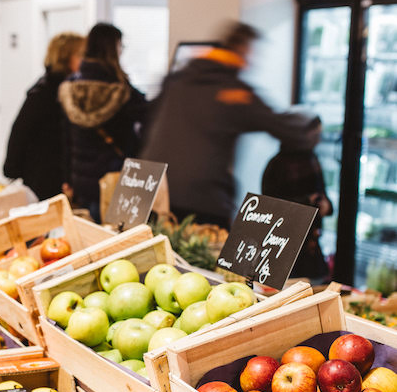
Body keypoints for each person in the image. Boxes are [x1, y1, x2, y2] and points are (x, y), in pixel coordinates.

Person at [141, 21, 321, 229]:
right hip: (203, 199)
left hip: (156, 191)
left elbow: (147, 122)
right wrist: (311, 125)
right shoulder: (233, 93)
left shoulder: (177, 80)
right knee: (203, 258)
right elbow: (282, 126)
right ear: (244, 49)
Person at [58, 22, 148, 221]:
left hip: (81, 181)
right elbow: (149, 116)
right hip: (113, 180)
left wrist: (67, 179)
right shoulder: (121, 90)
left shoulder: (70, 88)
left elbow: (66, 140)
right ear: (113, 48)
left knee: (88, 238)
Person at [3, 32, 85, 199]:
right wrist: (12, 168)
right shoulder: (46, 92)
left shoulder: (67, 88)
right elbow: (21, 130)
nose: (85, 61)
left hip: (53, 173)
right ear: (65, 57)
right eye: (81, 55)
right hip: (45, 174)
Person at [261, 119, 333, 282]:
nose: (318, 139)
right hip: (283, 246)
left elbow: (322, 194)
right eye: (315, 134)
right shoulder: (276, 164)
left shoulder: (312, 160)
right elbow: (270, 207)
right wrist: (308, 201)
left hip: (311, 245)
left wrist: (326, 205)